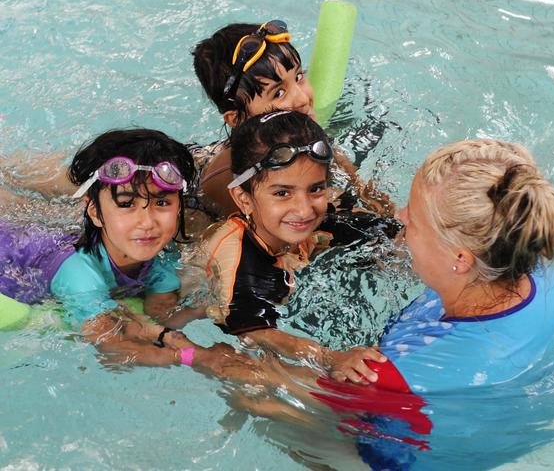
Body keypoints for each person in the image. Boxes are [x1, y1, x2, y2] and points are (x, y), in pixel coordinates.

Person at [308, 138, 554, 469]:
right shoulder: (543, 272)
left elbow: (261, 386)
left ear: (460, 258)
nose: (402, 216)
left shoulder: (385, 376)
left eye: (414, 219)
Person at [186, 110, 400, 384]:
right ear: (244, 199)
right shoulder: (238, 259)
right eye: (282, 193)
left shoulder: (316, 220)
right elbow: (254, 331)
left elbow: (395, 236)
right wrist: (330, 357)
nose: (303, 209)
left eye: (316, 189)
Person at [0, 129, 206, 366]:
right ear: (95, 211)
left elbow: (163, 312)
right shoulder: (77, 272)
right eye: (126, 204)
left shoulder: (163, 257)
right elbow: (111, 347)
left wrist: (204, 310)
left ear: (179, 207)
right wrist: (196, 357)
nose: (148, 222)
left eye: (162, 202)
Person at [190, 20, 393, 219]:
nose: (303, 99)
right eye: (278, 93)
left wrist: (367, 193)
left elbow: (349, 175)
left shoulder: (297, 133)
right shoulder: (237, 181)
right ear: (236, 118)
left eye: (298, 77)